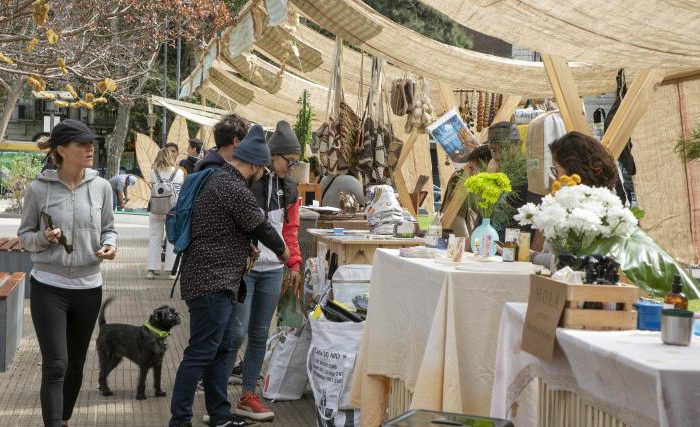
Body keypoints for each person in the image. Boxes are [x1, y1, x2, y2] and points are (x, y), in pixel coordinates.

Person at [169, 124, 289, 427]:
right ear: (255, 165)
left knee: (220, 350)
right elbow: (262, 227)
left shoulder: (219, 180)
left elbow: (223, 227)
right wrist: (285, 253)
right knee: (200, 352)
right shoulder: (233, 187)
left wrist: (243, 245)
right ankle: (179, 420)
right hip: (212, 282)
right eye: (261, 169)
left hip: (210, 280)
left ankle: (220, 416)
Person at [18, 119, 117, 427]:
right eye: (82, 144)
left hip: (89, 287)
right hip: (50, 286)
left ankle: (62, 419)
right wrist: (42, 239)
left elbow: (109, 229)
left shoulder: (102, 187)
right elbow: (24, 236)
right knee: (56, 364)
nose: (90, 149)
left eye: (91, 144)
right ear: (61, 150)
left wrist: (110, 246)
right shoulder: (38, 189)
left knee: (75, 363)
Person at [229, 121, 303, 422]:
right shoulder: (249, 180)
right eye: (290, 160)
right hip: (244, 269)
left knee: (259, 332)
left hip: (272, 270)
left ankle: (248, 394)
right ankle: (217, 392)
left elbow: (291, 229)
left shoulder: (290, 189)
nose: (293, 166)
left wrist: (293, 263)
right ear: (274, 155)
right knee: (236, 331)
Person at [531, 131, 618, 265]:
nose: (556, 177)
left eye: (556, 170)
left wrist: (533, 257)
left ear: (573, 169)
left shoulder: (590, 208)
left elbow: (571, 261)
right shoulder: (600, 200)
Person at [146, 149, 184, 280]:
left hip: (156, 209)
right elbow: (180, 192)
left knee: (154, 238)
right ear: (171, 156)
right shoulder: (178, 172)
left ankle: (152, 269)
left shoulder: (153, 172)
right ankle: (172, 270)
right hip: (173, 210)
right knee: (172, 238)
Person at [440, 145, 492, 237]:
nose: (470, 172)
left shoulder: (491, 186)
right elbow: (457, 218)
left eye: (471, 168)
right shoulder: (462, 181)